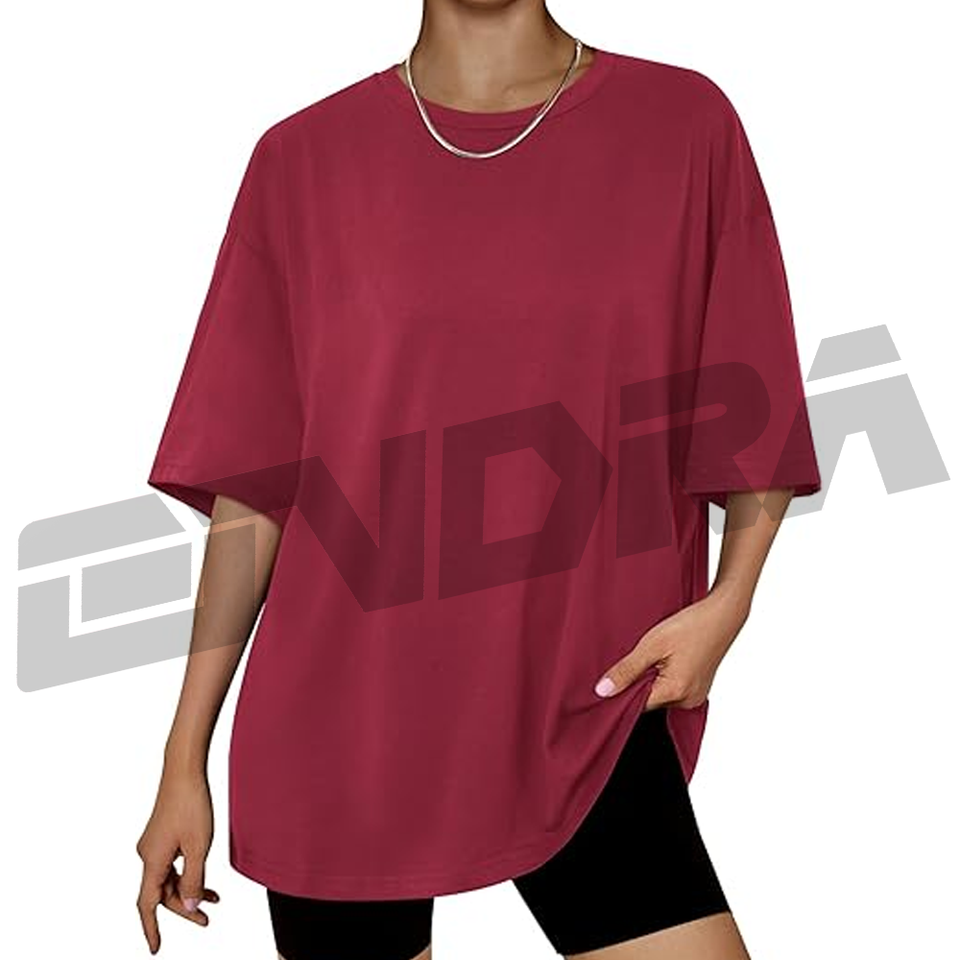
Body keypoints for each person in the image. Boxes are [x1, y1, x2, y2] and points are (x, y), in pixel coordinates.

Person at [135, 1, 822, 958]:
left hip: (588, 694)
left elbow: (750, 396)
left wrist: (730, 603)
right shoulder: (301, 160)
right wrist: (184, 757)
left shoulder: (683, 125)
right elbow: (253, 489)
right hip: (347, 716)